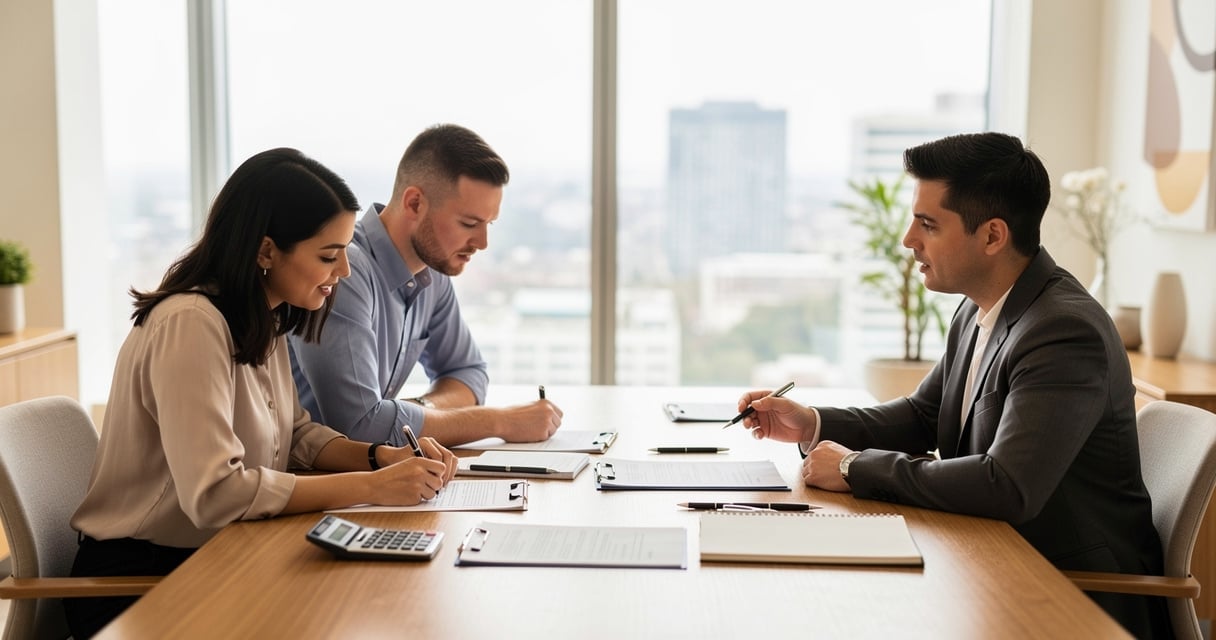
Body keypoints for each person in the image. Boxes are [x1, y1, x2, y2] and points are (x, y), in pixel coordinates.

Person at [740, 132, 1170, 638]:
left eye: (927, 224)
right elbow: (924, 415)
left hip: (1070, 597)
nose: (908, 240)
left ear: (992, 236)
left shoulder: (1063, 331)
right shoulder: (978, 308)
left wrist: (855, 467)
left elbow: (1007, 486)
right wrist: (812, 423)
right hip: (992, 564)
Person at [65, 148, 458, 638]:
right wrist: (372, 487)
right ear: (267, 251)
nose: (344, 271)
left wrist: (380, 457)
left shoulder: (261, 319)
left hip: (215, 555)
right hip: (140, 583)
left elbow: (296, 435)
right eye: (329, 256)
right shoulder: (191, 324)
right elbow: (216, 494)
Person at [288, 124, 563, 447]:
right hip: (308, 471)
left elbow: (468, 373)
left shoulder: (433, 273)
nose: (483, 242)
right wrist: (500, 421)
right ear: (415, 203)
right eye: (469, 223)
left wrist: (413, 411)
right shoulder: (345, 272)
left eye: (488, 224)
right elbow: (360, 426)